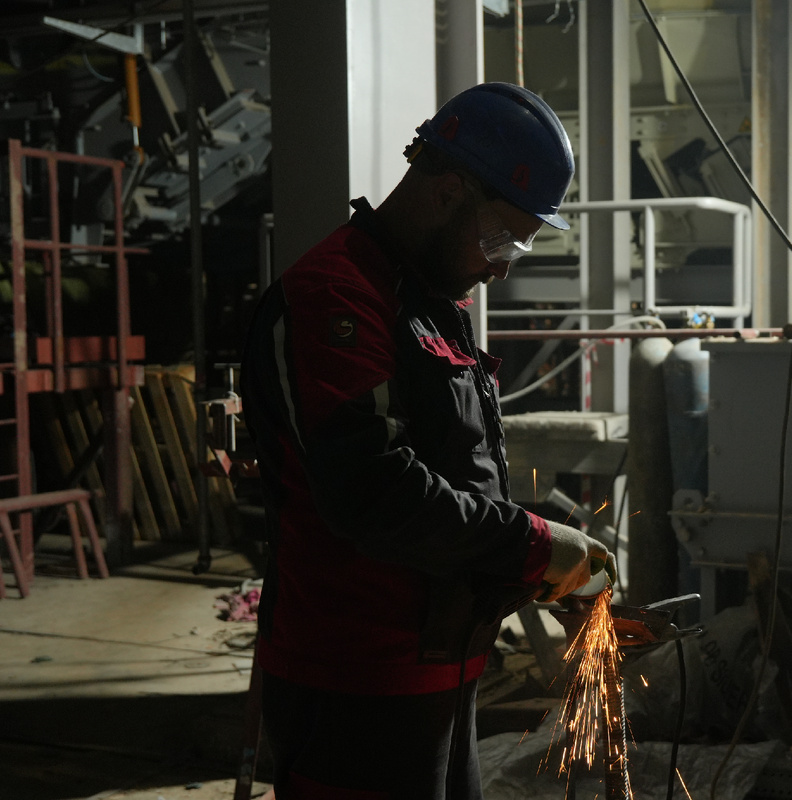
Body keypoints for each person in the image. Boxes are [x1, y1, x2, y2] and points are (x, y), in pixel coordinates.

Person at [240, 82, 613, 800]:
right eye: (503, 238)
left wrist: (524, 572)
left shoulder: (432, 303)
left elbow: (455, 476)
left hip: (440, 667)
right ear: (447, 192)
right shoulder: (336, 298)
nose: (503, 265)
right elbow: (375, 492)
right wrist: (533, 545)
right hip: (356, 685)